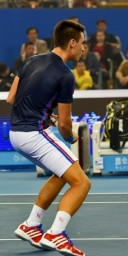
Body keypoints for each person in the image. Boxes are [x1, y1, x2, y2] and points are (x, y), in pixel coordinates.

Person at [7, 20, 91, 255]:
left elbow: (12, 98)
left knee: (61, 173)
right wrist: (72, 137)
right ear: (72, 43)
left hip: (15, 133)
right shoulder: (66, 75)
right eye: (82, 44)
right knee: (82, 182)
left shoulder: (32, 60)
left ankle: (32, 225)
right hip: (33, 133)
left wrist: (44, 112)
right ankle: (56, 234)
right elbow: (65, 125)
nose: (84, 49)